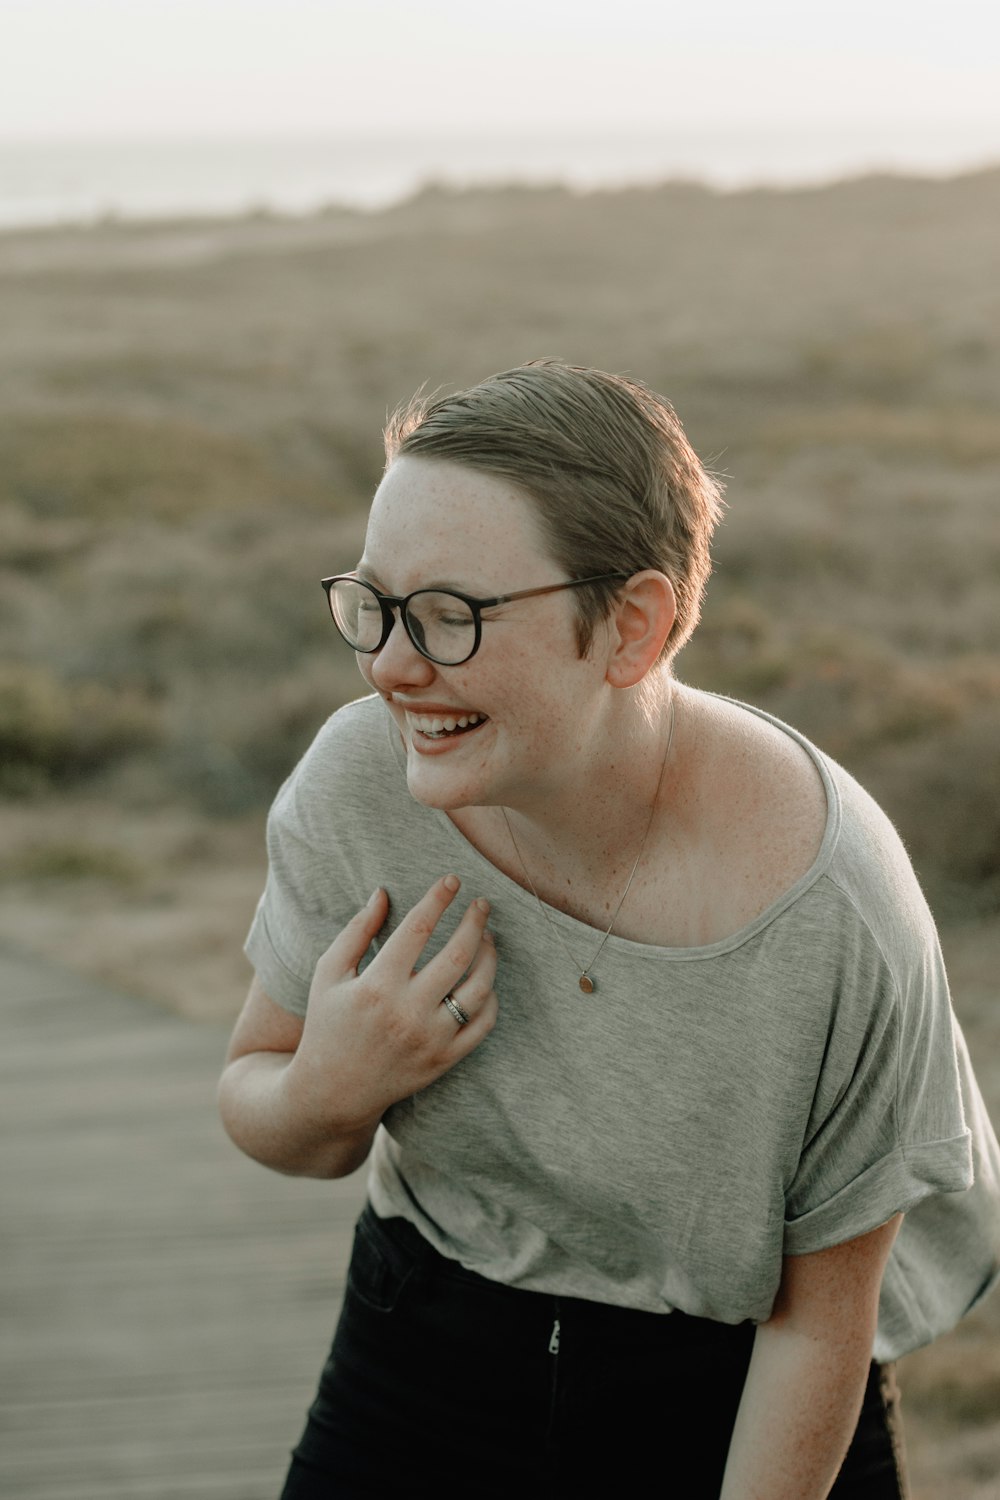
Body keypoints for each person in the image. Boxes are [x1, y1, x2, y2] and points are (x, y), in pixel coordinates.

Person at [218, 360, 1000, 1498]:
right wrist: (329, 1087)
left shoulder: (830, 906)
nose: (389, 666)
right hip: (421, 1347)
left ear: (633, 625)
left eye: (449, 616)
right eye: (374, 606)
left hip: (739, 1397)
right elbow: (266, 1107)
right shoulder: (360, 783)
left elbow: (818, 1325)